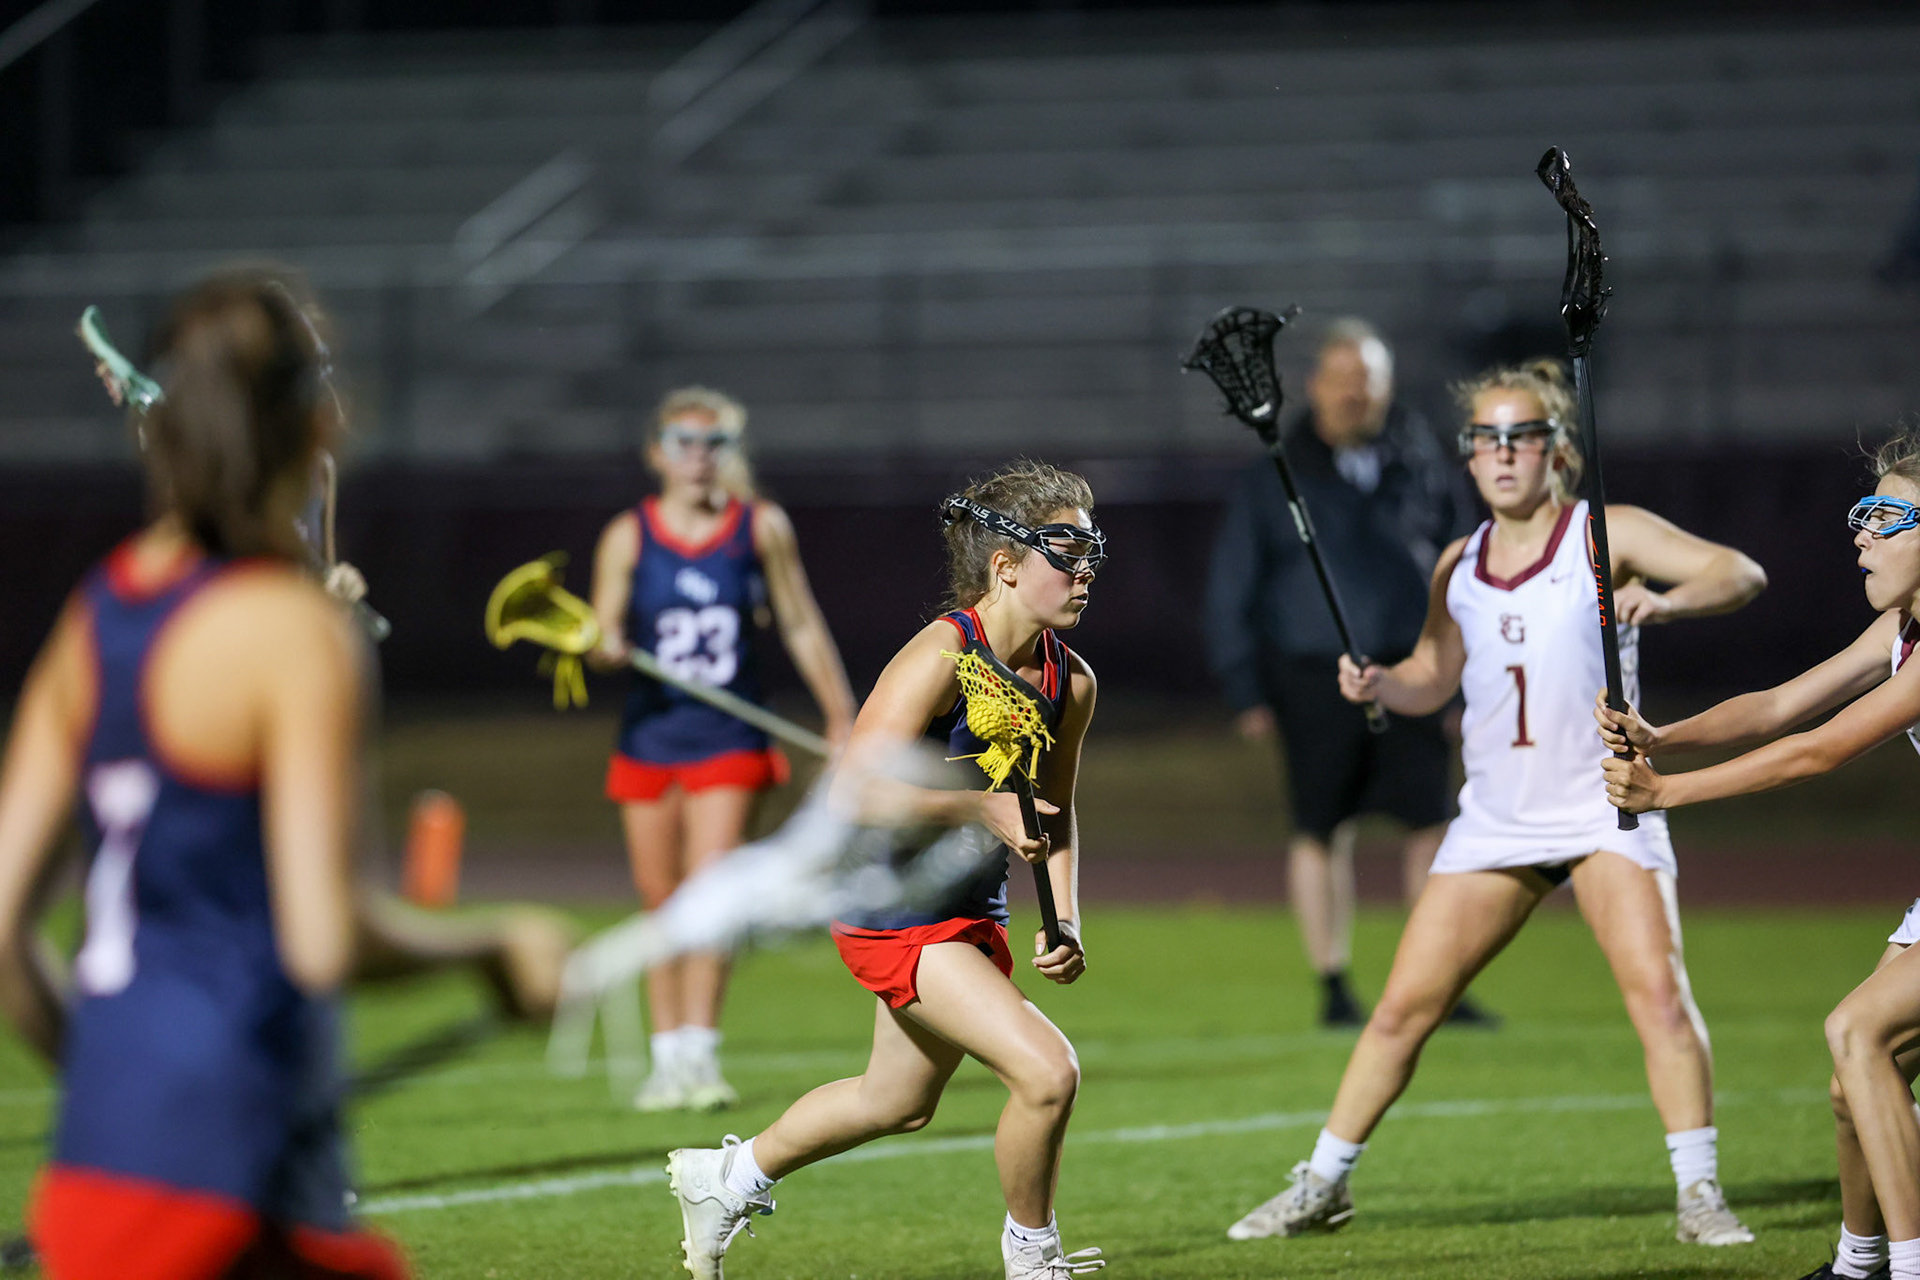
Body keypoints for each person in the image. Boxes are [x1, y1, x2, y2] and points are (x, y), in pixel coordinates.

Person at [1226, 358, 1768, 1247]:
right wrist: (1379, 683)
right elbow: (1432, 674)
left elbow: (1739, 573)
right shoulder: (1460, 562)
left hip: (1603, 808)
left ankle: (1699, 1194)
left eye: (1522, 436)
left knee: (1659, 999)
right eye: (1487, 438)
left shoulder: (1604, 534)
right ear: (1469, 456)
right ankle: (1321, 1185)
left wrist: (1666, 603)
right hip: (1497, 821)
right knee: (1401, 1012)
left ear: (1558, 451)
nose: (1504, 452)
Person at [0, 268, 407, 1279]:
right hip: (237, 1187)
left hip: (94, 1182)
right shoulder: (293, 637)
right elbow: (325, 937)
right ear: (316, 420)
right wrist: (496, 948)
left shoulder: (93, 615)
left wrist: (120, 1078)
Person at [664, 461, 1104, 1280]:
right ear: (1006, 566)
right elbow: (853, 791)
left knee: (894, 1103)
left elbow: (1056, 809)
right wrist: (975, 807)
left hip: (970, 912)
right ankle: (1034, 1259)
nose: (1085, 571)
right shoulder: (942, 653)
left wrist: (1065, 917)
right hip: (895, 909)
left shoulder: (1069, 679)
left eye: (1090, 552)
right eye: (1065, 552)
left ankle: (725, 1179)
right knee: (1048, 1075)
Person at [1600, 428, 1920, 1280]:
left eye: (1889, 517)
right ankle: (1858, 1266)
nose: (1863, 533)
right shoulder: (1900, 628)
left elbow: (1817, 751)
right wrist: (1662, 737)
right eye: (1864, 512)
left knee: (1857, 1031)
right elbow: (1779, 707)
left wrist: (1665, 794)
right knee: (1855, 1085)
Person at [1205, 317, 1483, 1027]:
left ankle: (1434, 981)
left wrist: (1465, 677)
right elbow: (1233, 584)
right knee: (1321, 827)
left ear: (1387, 388)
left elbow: (1467, 567)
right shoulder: (1276, 474)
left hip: (1415, 666)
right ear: (1314, 386)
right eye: (1342, 379)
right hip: (1312, 675)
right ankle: (1332, 983)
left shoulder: (1420, 460)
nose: (1354, 393)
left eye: (1367, 379)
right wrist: (1245, 686)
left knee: (1431, 822)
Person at [590, 387, 856, 1112]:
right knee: (660, 901)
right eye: (683, 441)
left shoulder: (759, 526)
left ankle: (700, 1057)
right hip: (650, 737)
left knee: (710, 896)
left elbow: (799, 621)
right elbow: (603, 632)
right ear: (657, 453)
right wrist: (604, 645)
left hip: (729, 739)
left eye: (714, 443)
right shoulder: (628, 535)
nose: (699, 456)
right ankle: (665, 1060)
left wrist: (841, 716)